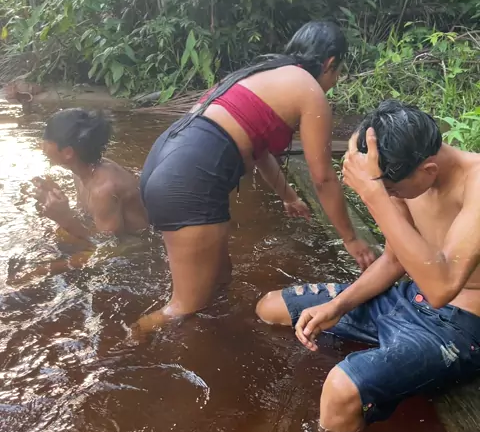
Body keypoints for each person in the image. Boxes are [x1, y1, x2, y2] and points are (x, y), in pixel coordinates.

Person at [256, 99, 480, 432]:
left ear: (429, 170)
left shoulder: (475, 183)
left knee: (340, 390)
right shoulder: (409, 174)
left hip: (458, 327)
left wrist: (375, 194)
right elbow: (394, 259)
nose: (390, 195)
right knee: (271, 308)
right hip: (408, 296)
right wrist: (337, 306)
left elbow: (441, 288)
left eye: (393, 190)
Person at [137, 21, 375, 335]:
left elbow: (258, 149)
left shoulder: (263, 72)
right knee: (184, 309)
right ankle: (124, 346)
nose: (336, 79)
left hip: (164, 162)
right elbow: (323, 178)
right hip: (189, 180)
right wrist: (351, 239)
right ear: (330, 63)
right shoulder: (309, 90)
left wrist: (289, 196)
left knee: (220, 280)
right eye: (338, 71)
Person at [33, 108, 148, 244]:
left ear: (68, 153)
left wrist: (65, 218)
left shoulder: (103, 190)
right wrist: (57, 201)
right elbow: (87, 219)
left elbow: (109, 247)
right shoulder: (81, 170)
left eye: (46, 141)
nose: (42, 147)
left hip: (137, 247)